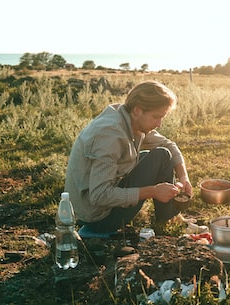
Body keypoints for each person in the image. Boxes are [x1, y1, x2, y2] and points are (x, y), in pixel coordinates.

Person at [64, 80, 193, 238]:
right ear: (138, 110)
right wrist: (152, 191)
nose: (159, 124)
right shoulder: (109, 136)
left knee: (162, 155)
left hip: (102, 198)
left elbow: (168, 145)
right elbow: (99, 196)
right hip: (98, 218)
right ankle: (166, 217)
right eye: (156, 117)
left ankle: (166, 217)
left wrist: (183, 176)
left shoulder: (129, 118)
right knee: (160, 156)